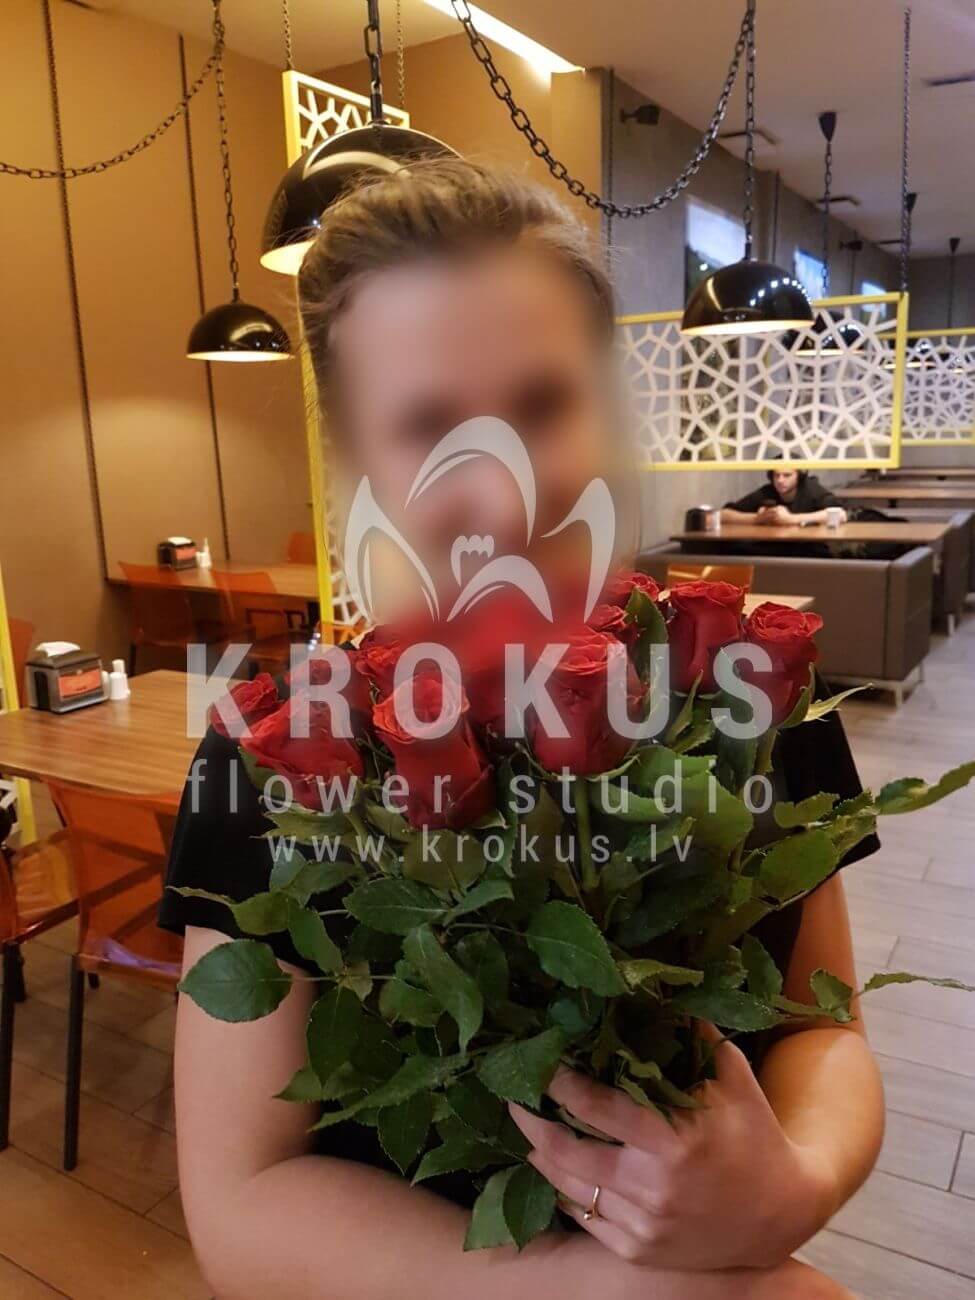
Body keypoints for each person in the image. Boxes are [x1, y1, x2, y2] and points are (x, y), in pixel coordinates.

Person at [160, 161, 880, 1300]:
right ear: (356, 455)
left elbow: (822, 1029)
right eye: (427, 424)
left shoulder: (743, 688)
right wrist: (614, 1289)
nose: (500, 490)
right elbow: (240, 1201)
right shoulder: (272, 754)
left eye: (542, 405)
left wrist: (797, 1185)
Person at [721, 468, 848, 527]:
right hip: (772, 549)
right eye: (776, 475)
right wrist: (757, 518)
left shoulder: (810, 489)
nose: (780, 480)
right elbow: (724, 514)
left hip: (807, 548)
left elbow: (841, 515)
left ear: (799, 476)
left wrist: (790, 519)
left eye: (787, 475)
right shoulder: (767, 491)